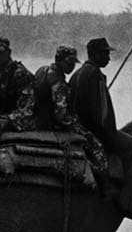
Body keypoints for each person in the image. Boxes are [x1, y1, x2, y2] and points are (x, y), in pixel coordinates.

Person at [33, 44, 108, 180]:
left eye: (73, 63)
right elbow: (61, 114)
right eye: (69, 62)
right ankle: (102, 180)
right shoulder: (58, 82)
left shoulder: (42, 71)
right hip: (52, 125)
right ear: (58, 60)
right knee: (95, 143)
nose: (72, 67)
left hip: (38, 120)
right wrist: (77, 124)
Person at [69, 37, 132, 163]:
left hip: (78, 128)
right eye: (105, 54)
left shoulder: (77, 74)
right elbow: (101, 117)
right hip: (93, 133)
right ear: (96, 54)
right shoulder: (95, 76)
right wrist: (108, 137)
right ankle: (119, 175)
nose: (109, 58)